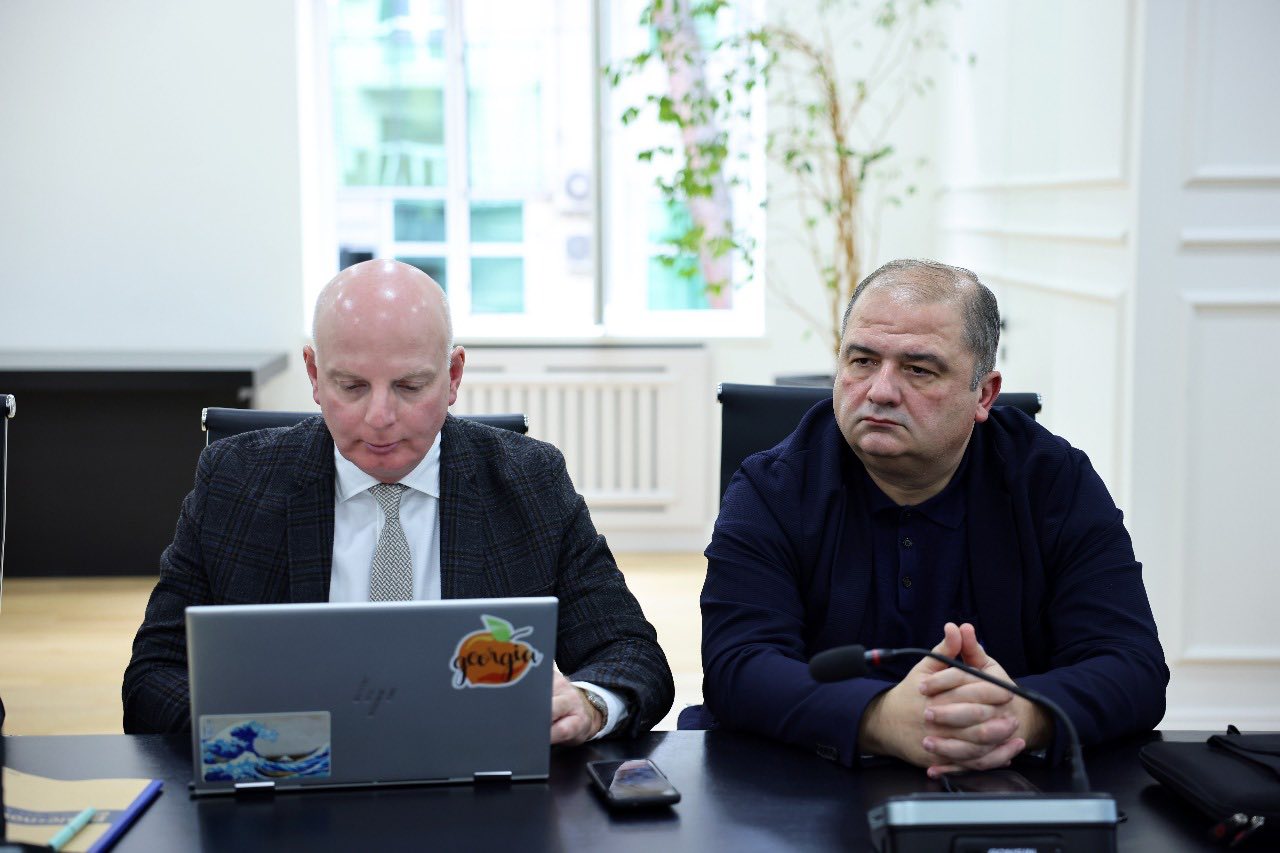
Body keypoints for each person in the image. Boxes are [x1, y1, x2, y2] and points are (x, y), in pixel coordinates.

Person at [124, 259, 674, 744]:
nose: (380, 417)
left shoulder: (529, 481)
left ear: (453, 376)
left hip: (476, 790)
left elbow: (631, 654)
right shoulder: (236, 482)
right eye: (352, 386)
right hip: (287, 782)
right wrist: (255, 734)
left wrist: (588, 705)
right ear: (314, 374)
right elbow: (153, 677)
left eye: (410, 386)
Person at [701, 259, 1167, 776]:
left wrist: (1019, 715)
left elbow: (1133, 666)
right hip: (811, 784)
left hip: (1005, 783)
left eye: (918, 370)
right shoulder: (772, 486)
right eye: (862, 361)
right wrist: (879, 719)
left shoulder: (1053, 481)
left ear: (984, 394)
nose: (880, 390)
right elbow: (736, 666)